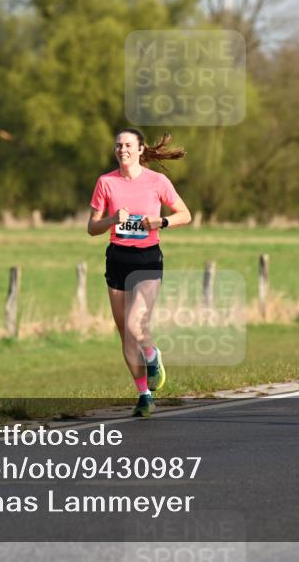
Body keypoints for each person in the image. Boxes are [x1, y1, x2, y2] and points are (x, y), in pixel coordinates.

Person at [88, 128, 191, 417]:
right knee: (125, 334)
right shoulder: (105, 182)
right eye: (118, 146)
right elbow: (92, 227)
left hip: (147, 259)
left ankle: (151, 354)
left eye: (128, 145)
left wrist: (161, 222)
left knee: (136, 325)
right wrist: (111, 218)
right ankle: (144, 394)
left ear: (140, 149)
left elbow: (185, 214)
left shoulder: (157, 181)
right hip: (117, 258)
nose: (122, 150)